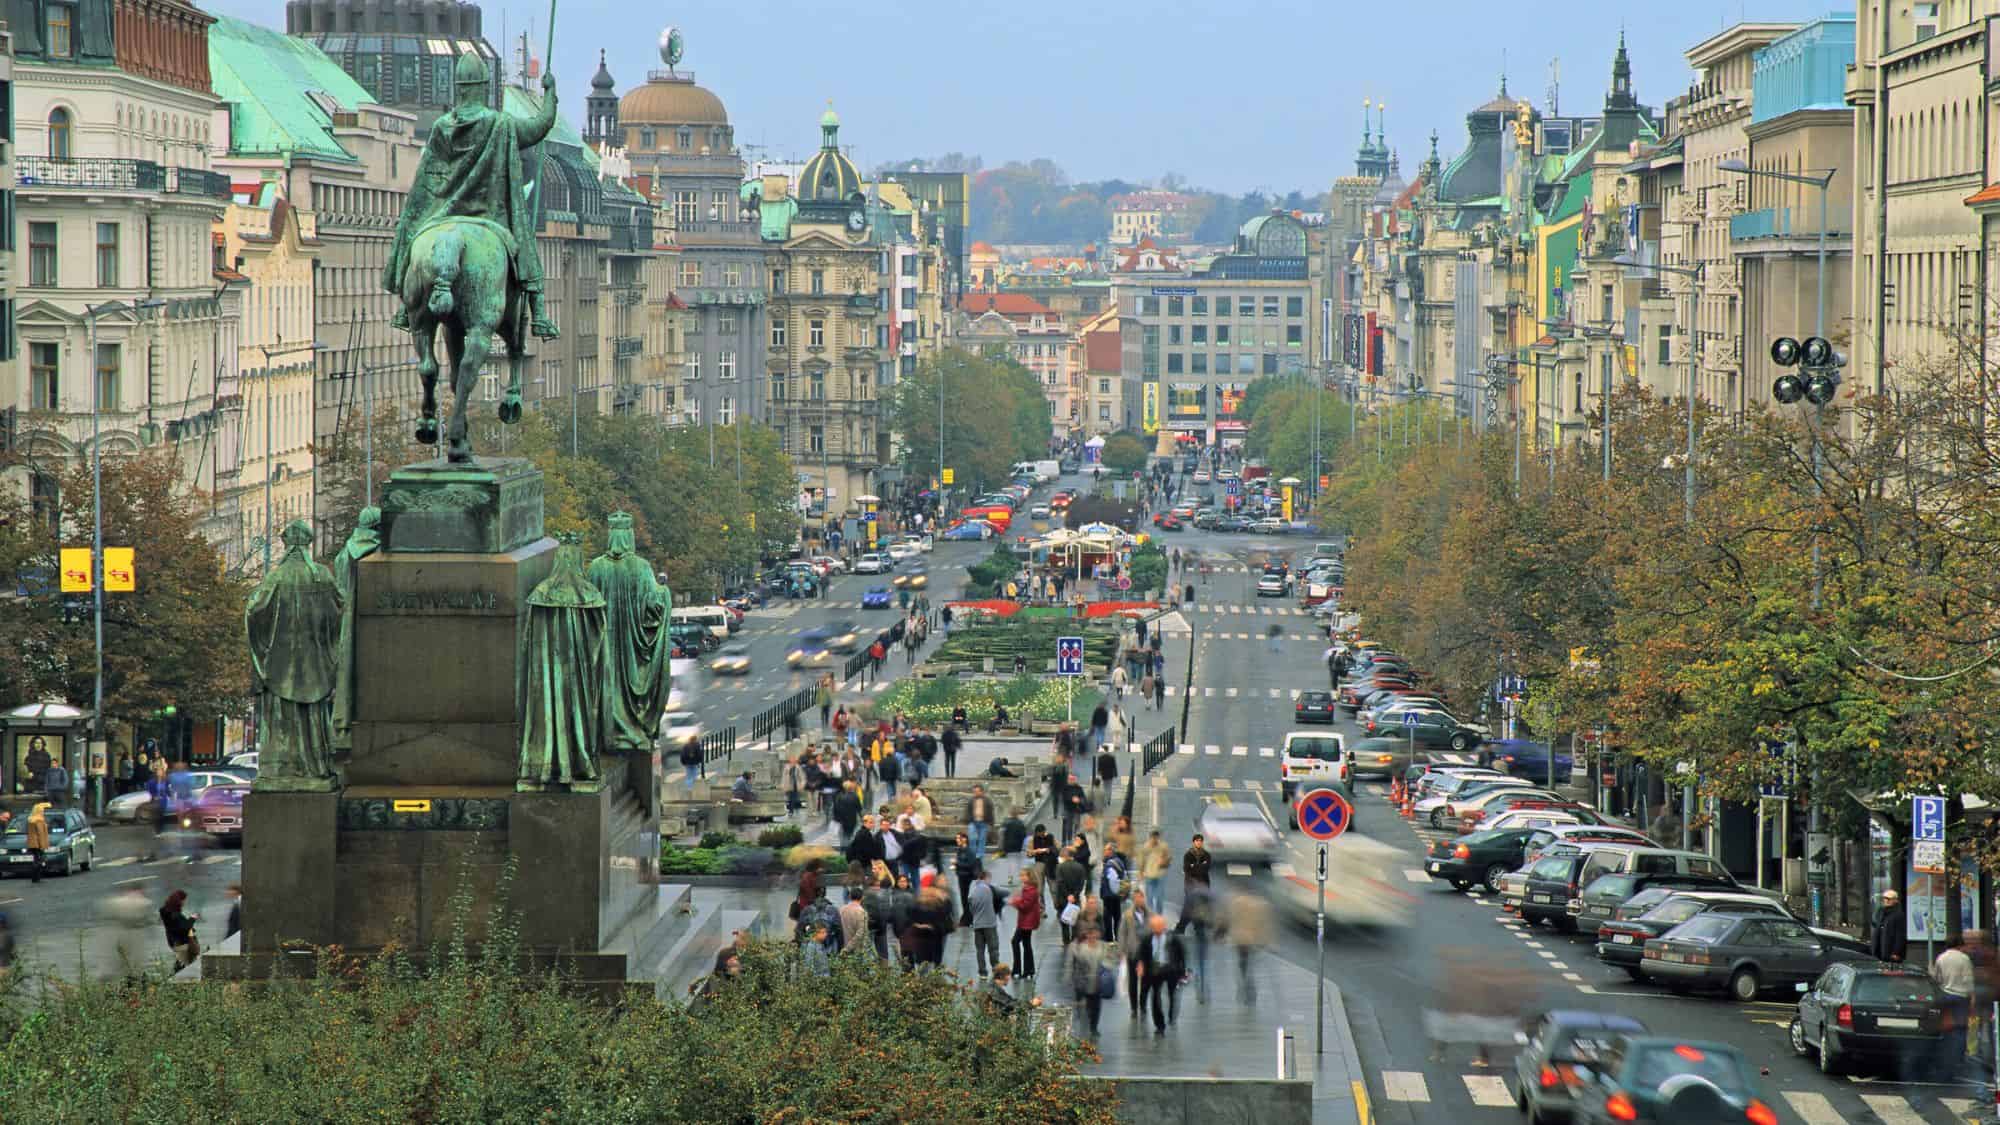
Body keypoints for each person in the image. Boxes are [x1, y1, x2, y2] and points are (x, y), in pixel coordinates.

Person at [1216, 889, 1272, 1003]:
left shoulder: (1236, 902)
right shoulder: (1257, 903)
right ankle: (1249, 989)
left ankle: (1246, 988)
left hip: (1241, 940)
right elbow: (1262, 923)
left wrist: (1219, 934)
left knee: (1243, 965)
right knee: (1248, 965)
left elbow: (1227, 920)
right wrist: (1264, 940)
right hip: (1253, 939)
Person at [1137, 912, 1187, 1034]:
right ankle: (1160, 1025)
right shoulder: (1147, 938)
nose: (1156, 930)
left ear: (1163, 926)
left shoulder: (1173, 938)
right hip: (1155, 970)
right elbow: (1142, 953)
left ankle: (1171, 1015)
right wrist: (1141, 965)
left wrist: (1182, 971)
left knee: (1172, 994)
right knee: (1155, 997)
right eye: (1154, 927)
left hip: (1170, 970)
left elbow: (1181, 954)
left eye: (1159, 927)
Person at [1933, 933, 1974, 1079]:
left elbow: (1936, 978)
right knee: (1960, 1029)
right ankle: (1957, 1059)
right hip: (1961, 998)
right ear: (1959, 944)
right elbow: (1969, 981)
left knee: (1947, 1027)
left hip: (1945, 995)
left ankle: (1945, 1057)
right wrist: (1972, 999)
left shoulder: (1941, 957)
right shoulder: (1964, 959)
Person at [1067, 925, 1116, 1042]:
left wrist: (1105, 968)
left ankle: (1094, 1027)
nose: (1093, 936)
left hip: (1097, 982)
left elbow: (1110, 962)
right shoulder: (1078, 947)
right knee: (1084, 1006)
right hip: (1082, 982)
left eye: (1095, 933)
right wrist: (1069, 978)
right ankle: (1083, 1025)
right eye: (1090, 934)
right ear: (1087, 935)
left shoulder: (1104, 947)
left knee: (1096, 1007)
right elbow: (1071, 964)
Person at [1178, 884, 1213, 1004]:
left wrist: (1180, 928)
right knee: (1204, 961)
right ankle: (1204, 988)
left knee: (1198, 960)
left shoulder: (1191, 897)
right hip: (1206, 931)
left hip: (1198, 930)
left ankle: (1200, 989)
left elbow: (1185, 915)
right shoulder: (1209, 897)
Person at [1117, 890, 1150, 1019]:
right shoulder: (1128, 916)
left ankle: (1142, 1005)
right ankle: (1134, 1007)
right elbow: (1122, 933)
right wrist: (1121, 951)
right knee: (1133, 981)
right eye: (1136, 898)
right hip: (1133, 952)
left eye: (1140, 898)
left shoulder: (1149, 914)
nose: (1138, 900)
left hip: (1146, 953)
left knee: (1146, 981)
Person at [967, 867, 1001, 977]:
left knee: (980, 950)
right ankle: (996, 969)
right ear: (986, 878)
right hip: (990, 923)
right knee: (993, 949)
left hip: (977, 924)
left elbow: (970, 908)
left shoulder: (973, 891)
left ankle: (982, 972)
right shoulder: (989, 889)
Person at [1009, 871, 1043, 979]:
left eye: (1024, 875)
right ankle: (1028, 970)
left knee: (1016, 942)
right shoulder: (1029, 889)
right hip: (1026, 921)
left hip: (1026, 922)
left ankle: (1018, 969)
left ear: (1029, 877)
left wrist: (1015, 902)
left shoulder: (1030, 890)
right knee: (1026, 944)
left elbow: (1025, 906)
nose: (1022, 877)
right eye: (1021, 875)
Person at [160, 889, 201, 969]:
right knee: (184, 965)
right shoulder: (175, 914)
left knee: (181, 963)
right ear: (179, 901)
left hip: (174, 942)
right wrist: (192, 918)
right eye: (183, 900)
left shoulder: (166, 912)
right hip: (182, 942)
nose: (184, 903)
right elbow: (184, 928)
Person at [1056, 848, 1088, 944]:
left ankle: (1066, 940)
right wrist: (1074, 895)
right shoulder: (1080, 867)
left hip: (1063, 898)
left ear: (1065, 855)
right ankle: (1074, 939)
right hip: (1075, 898)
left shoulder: (1060, 867)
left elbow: (1060, 883)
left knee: (1064, 919)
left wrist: (1067, 895)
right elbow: (1081, 883)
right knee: (1075, 919)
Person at [1099, 843, 1129, 943]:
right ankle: (1118, 936)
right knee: (1117, 916)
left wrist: (1113, 891)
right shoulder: (1120, 861)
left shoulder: (1109, 864)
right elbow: (1124, 876)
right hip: (1116, 895)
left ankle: (1109, 938)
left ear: (1111, 851)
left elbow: (1112, 879)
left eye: (1106, 850)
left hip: (1109, 894)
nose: (1104, 852)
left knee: (1107, 917)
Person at [1140, 830, 1173, 915]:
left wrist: (1164, 861)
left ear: (1158, 837)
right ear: (1150, 837)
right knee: (1149, 898)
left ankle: (1159, 916)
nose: (1154, 839)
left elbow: (1169, 858)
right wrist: (1141, 873)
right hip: (1149, 875)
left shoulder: (1164, 846)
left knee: (1159, 898)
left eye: (1156, 837)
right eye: (1153, 837)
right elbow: (1142, 861)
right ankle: (1150, 918)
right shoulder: (1145, 847)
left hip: (1160, 875)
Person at [953, 831, 981, 926]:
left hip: (967, 877)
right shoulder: (960, 850)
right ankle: (966, 918)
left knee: (965, 899)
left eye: (958, 838)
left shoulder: (969, 851)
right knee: (963, 899)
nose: (957, 840)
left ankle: (967, 919)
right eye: (956, 838)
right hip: (961, 876)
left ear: (964, 839)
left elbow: (970, 864)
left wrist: (957, 863)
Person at [1873, 889, 1909, 963]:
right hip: (1878, 948)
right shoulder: (1881, 911)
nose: (1886, 900)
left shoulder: (1898, 914)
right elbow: (1876, 925)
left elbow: (1900, 935)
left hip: (1890, 951)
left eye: (1888, 899)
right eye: (1884, 898)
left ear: (1895, 900)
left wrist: (1896, 952)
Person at [1028, 824, 1060, 907]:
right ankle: (1041, 909)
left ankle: (1057, 906)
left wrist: (1048, 850)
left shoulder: (1051, 837)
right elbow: (1029, 853)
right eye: (1039, 833)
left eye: (1042, 833)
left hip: (1051, 864)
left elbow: (1058, 848)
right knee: (1039, 889)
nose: (1040, 835)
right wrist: (1034, 852)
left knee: (1053, 888)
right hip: (1039, 863)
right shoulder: (1033, 839)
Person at [965, 785, 996, 860]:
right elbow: (967, 811)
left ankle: (979, 856)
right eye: (974, 791)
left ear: (981, 791)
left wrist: (991, 824)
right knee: (972, 838)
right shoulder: (971, 800)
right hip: (973, 822)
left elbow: (991, 812)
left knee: (982, 839)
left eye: (977, 791)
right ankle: (973, 855)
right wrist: (967, 821)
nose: (975, 793)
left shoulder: (987, 801)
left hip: (984, 822)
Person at [23, 802, 50, 884]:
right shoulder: (39, 820)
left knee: (36, 859)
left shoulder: (31, 819)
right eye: (42, 811)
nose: (43, 812)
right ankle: (36, 878)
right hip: (38, 843)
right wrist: (42, 845)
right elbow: (41, 834)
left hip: (32, 843)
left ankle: (35, 878)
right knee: (39, 860)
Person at [839, 886, 870, 953]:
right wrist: (849, 948)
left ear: (850, 896)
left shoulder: (842, 909)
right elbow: (861, 933)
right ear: (862, 897)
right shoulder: (862, 912)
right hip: (857, 949)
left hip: (843, 946)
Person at [831, 780, 862, 845]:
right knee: (850, 835)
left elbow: (835, 808)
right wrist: (862, 817)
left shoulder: (839, 796)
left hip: (841, 820)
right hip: (852, 820)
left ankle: (843, 848)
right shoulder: (855, 796)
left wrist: (835, 818)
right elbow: (859, 809)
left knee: (842, 836)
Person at [1182, 833, 1212, 899]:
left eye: (1201, 841)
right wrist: (1201, 865)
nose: (1199, 842)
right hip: (1190, 883)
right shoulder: (1188, 855)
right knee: (1190, 903)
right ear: (1193, 842)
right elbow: (1186, 869)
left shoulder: (1206, 854)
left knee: (1204, 903)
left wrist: (1193, 865)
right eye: (1197, 841)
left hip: (1203, 882)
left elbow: (1207, 868)